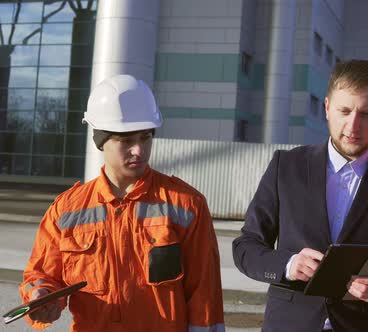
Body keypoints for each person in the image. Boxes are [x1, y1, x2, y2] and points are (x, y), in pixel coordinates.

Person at [19, 74, 225, 331]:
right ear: (101, 141)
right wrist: (41, 296)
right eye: (126, 140)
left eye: (145, 137)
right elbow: (42, 274)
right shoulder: (67, 210)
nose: (139, 150)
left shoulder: (186, 204)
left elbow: (205, 292)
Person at [232, 59, 368, 331]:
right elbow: (246, 246)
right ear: (327, 108)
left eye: (365, 114)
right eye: (344, 111)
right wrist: (289, 264)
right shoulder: (286, 167)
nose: (353, 126)